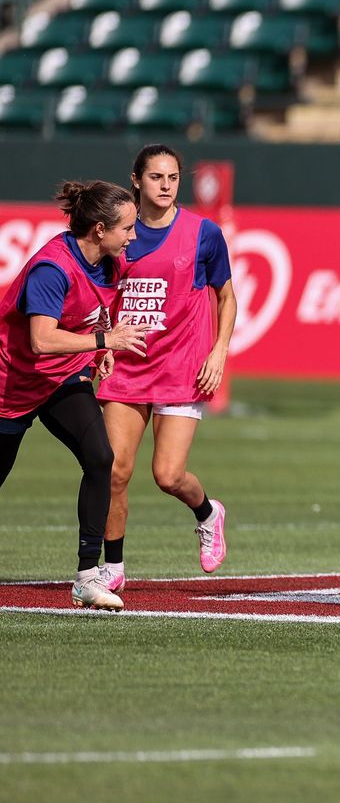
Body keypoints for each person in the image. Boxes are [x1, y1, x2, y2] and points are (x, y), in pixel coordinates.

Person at [0, 181, 148, 610]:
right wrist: (105, 339)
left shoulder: (111, 264)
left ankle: (87, 576)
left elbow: (92, 315)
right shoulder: (53, 267)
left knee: (101, 457)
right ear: (99, 229)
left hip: (62, 379)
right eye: (127, 228)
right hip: (14, 382)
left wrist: (98, 350)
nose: (133, 236)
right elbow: (42, 340)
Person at [97, 144, 236, 591]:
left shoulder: (204, 233)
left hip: (182, 366)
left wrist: (218, 352)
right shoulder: (120, 234)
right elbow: (102, 296)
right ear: (136, 180)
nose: (165, 186)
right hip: (128, 367)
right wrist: (101, 341)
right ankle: (113, 567)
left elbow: (226, 296)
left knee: (168, 476)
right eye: (156, 177)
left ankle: (208, 513)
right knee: (115, 469)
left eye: (173, 178)